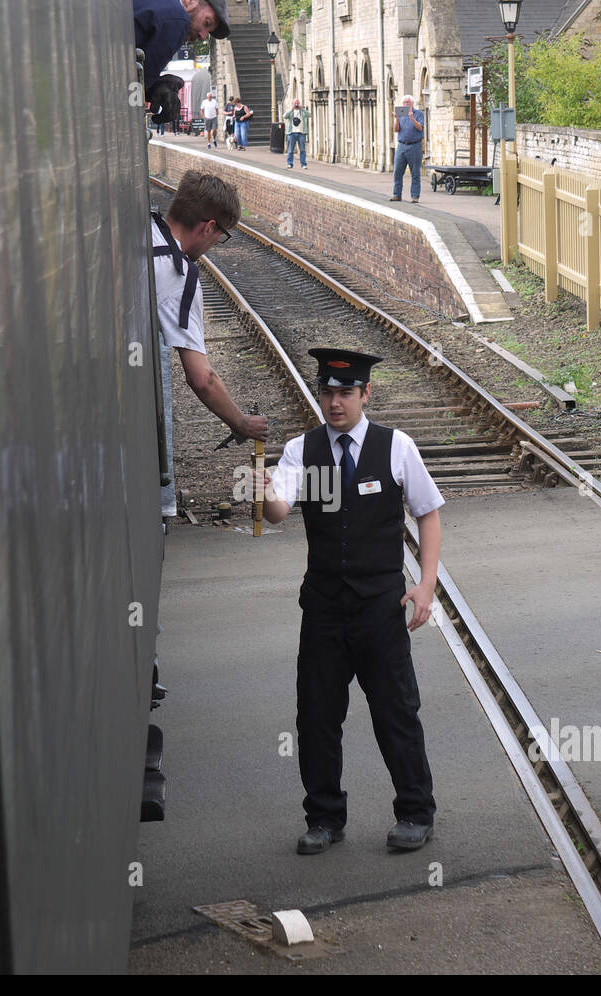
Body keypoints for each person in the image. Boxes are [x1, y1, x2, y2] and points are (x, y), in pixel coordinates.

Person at [259, 349, 442, 855]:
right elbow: (276, 512)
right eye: (328, 392)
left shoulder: (396, 447)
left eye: (345, 393)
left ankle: (415, 812)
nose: (335, 402)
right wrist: (258, 486)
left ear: (365, 394)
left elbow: (428, 513)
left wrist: (425, 584)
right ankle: (324, 817)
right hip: (323, 607)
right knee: (316, 715)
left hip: (380, 606)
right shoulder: (302, 449)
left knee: (395, 710)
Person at [151, 171, 268, 444]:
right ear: (208, 227)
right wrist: (241, 422)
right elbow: (202, 378)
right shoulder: (179, 276)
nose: (215, 243)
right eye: (221, 235)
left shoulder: (146, 227)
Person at [134, 0, 230, 98]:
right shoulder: (178, 21)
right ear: (191, 1)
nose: (203, 36)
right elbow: (138, 86)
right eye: (206, 23)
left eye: (209, 32)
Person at [390, 94, 424, 204]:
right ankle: (396, 194)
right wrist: (396, 119)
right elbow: (396, 130)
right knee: (397, 171)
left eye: (408, 103)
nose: (406, 104)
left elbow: (420, 128)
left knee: (415, 172)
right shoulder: (401, 115)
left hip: (415, 145)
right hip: (401, 145)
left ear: (412, 104)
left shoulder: (419, 114)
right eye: (404, 103)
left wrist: (412, 118)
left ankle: (415, 196)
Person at [285, 98, 309, 169]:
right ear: (292, 104)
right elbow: (285, 116)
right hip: (292, 133)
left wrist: (303, 109)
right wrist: (292, 109)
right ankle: (290, 163)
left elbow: (309, 115)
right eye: (295, 103)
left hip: (301, 133)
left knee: (302, 150)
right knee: (290, 150)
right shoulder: (290, 112)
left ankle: (303, 164)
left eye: (298, 103)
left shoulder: (302, 112)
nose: (296, 105)